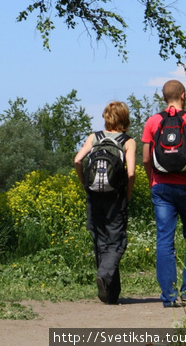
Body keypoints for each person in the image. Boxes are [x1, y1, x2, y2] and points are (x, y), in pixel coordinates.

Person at [142, 80, 186, 308]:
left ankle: (169, 297)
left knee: (165, 239)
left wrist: (151, 180)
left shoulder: (153, 121)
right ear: (183, 96)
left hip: (161, 187)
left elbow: (146, 158)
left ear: (164, 98)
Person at [74, 101, 136, 305]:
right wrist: (127, 195)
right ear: (125, 118)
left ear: (106, 117)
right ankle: (104, 274)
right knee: (117, 241)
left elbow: (77, 160)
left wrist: (84, 183)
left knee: (101, 240)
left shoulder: (94, 137)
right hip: (115, 196)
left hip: (94, 194)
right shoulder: (128, 141)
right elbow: (131, 173)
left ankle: (110, 294)